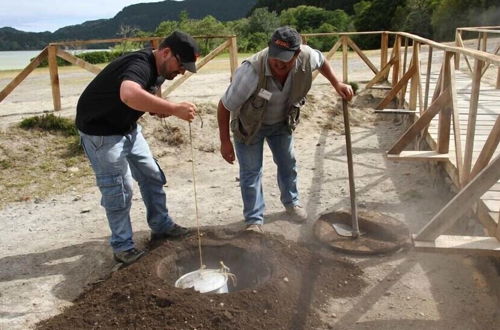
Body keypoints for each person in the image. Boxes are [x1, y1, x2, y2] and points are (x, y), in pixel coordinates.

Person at [76, 31, 199, 264]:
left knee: (152, 175)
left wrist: (157, 107)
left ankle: (161, 226)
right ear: (165, 53)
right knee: (119, 190)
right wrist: (174, 108)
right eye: (181, 64)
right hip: (101, 133)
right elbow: (129, 94)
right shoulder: (139, 64)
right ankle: (123, 246)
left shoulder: (161, 70)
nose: (182, 71)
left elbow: (147, 93)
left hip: (127, 128)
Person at [217, 26, 354, 232]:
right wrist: (225, 141)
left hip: (281, 122)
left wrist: (337, 83)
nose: (278, 63)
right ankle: (254, 220)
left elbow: (322, 60)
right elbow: (224, 105)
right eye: (275, 56)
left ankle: (291, 203)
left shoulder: (307, 57)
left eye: (285, 58)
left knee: (288, 164)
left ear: (297, 54)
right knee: (251, 173)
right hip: (249, 126)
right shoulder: (251, 71)